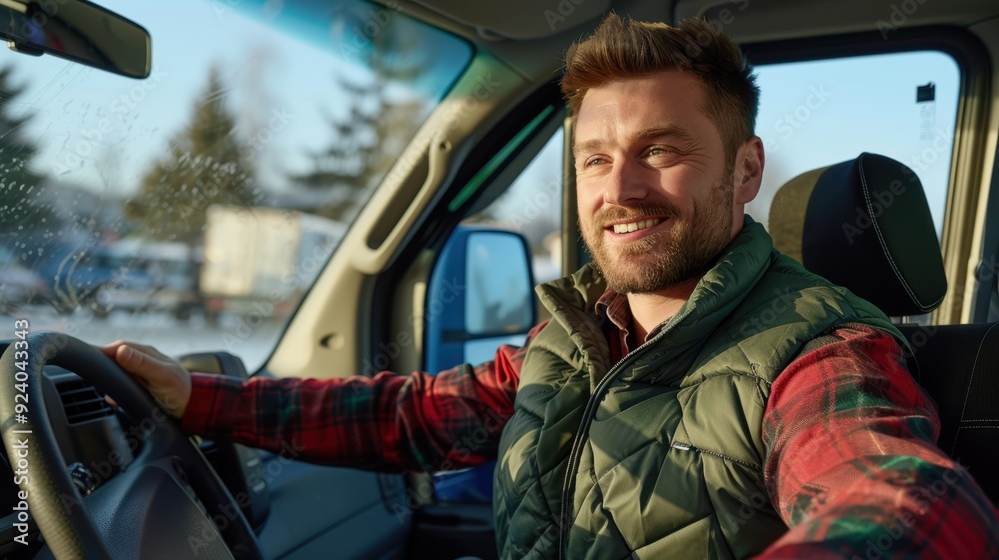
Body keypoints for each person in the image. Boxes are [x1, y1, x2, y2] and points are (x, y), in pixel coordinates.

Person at [101, 14, 999, 559]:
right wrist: (200, 398)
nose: (621, 190)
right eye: (597, 159)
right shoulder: (571, 339)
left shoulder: (823, 349)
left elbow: (901, 505)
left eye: (664, 151)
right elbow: (412, 417)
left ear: (747, 167)